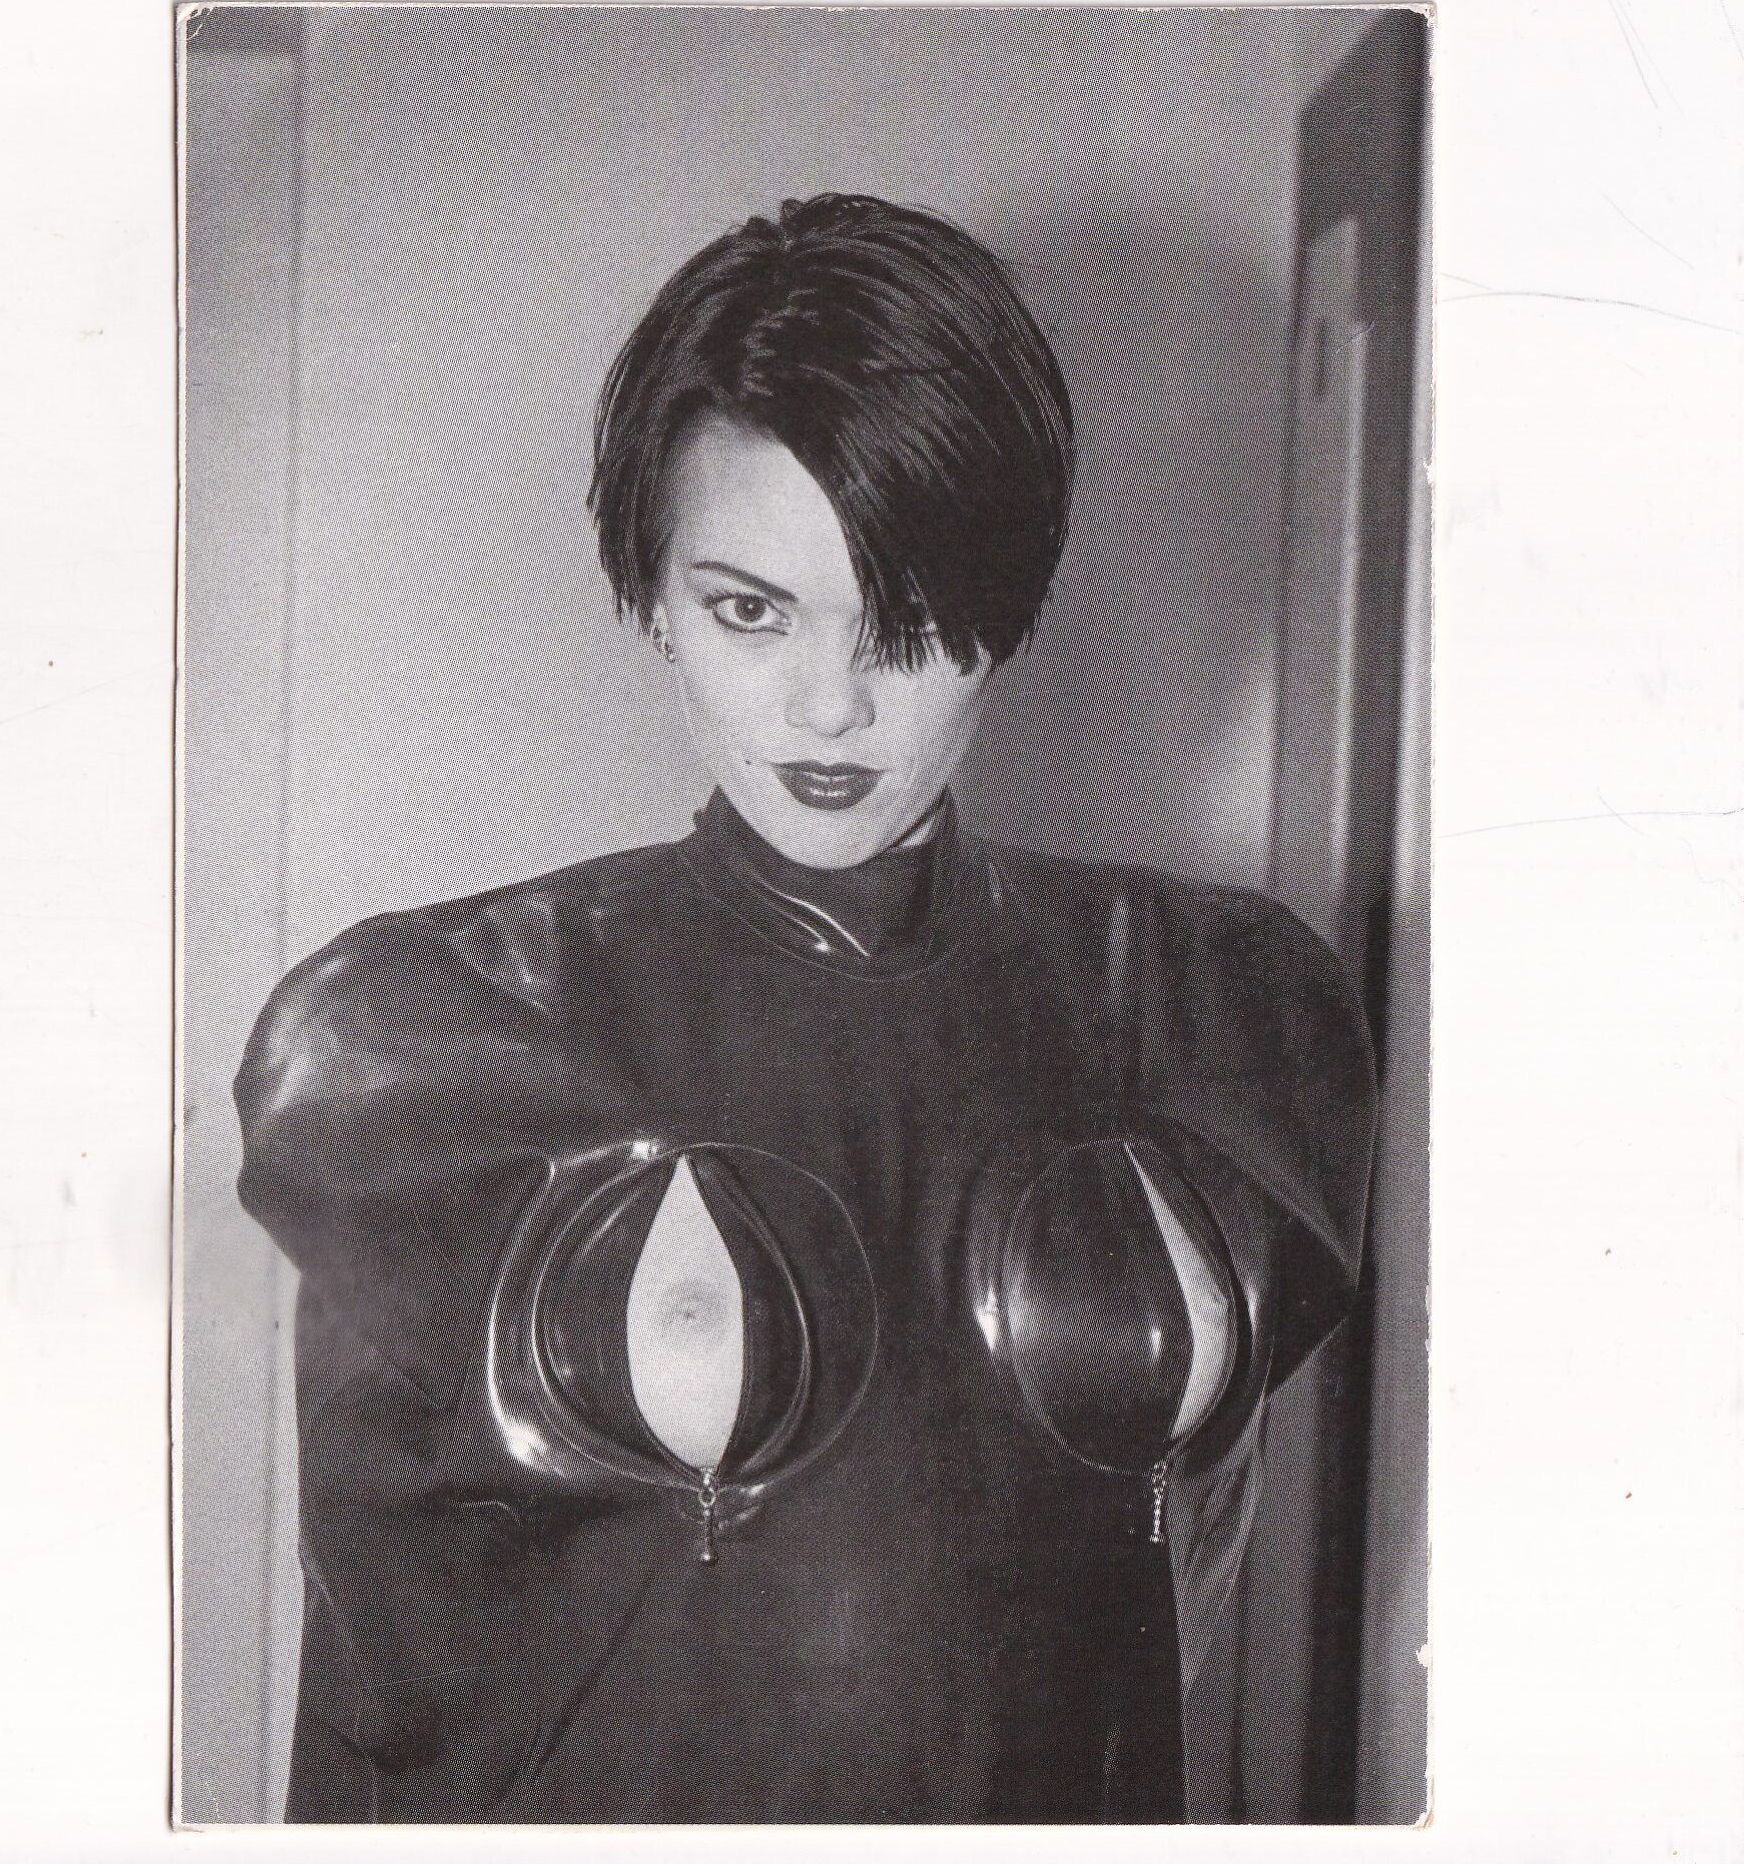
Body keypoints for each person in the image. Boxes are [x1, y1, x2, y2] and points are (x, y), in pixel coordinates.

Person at [233, 192, 1379, 1823]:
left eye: (903, 621)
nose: (830, 703)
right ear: (653, 595)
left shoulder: (1221, 1014)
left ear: (1013, 606)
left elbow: (1180, 1591)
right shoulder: (428, 1044)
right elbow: (375, 1706)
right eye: (750, 608)